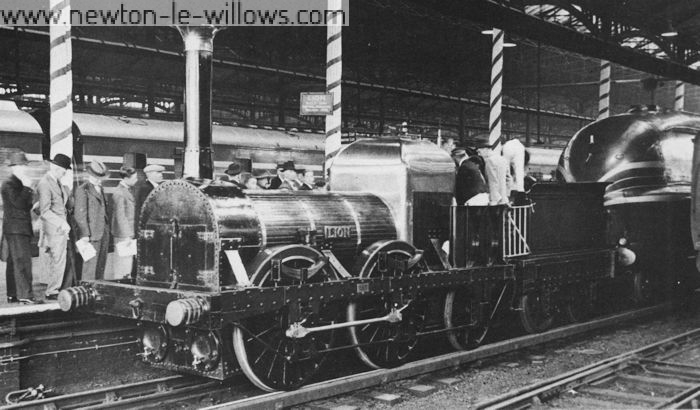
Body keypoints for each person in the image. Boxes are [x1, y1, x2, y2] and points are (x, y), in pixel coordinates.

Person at [1, 152, 35, 303]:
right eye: (22, 166)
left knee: (14, 262)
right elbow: (19, 204)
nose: (24, 169)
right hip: (17, 229)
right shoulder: (9, 184)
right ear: (14, 167)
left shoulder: (17, 183)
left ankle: (13, 294)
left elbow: (26, 206)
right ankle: (25, 296)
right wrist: (27, 188)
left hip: (17, 228)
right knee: (22, 262)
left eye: (24, 166)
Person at [37, 153, 71, 300]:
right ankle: (52, 290)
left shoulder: (58, 182)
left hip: (59, 228)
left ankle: (53, 288)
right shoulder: (45, 183)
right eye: (64, 170)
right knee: (57, 259)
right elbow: (44, 210)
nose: (65, 173)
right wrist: (61, 223)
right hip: (54, 228)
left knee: (58, 259)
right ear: (57, 168)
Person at [74, 161, 110, 281]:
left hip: (103, 232)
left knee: (101, 265)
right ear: (89, 175)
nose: (100, 180)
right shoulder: (82, 189)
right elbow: (80, 215)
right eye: (97, 178)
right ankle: (87, 291)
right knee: (90, 266)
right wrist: (84, 234)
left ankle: (98, 290)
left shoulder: (101, 189)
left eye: (102, 178)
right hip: (91, 234)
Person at [111, 166, 138, 279]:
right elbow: (120, 216)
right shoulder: (120, 193)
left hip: (127, 234)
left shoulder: (126, 190)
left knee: (127, 264)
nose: (136, 180)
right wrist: (127, 235)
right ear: (126, 178)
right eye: (135, 177)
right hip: (123, 235)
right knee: (122, 265)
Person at [134, 164, 164, 229]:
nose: (161, 175)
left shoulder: (155, 187)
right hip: (149, 224)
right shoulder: (145, 188)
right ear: (150, 174)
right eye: (158, 173)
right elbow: (147, 208)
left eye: (161, 173)